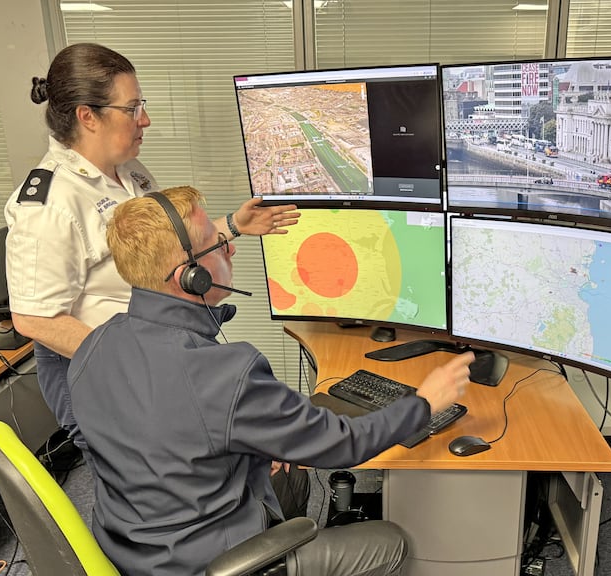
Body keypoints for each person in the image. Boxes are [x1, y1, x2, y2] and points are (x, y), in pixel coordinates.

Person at [67, 185, 475, 576]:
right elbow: (345, 443)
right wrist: (424, 403)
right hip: (209, 563)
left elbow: (135, 440)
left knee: (294, 475)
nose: (230, 247)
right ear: (190, 277)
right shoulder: (225, 373)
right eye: (217, 242)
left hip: (130, 548)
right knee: (392, 542)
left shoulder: (94, 345)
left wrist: (251, 442)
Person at [3, 43, 300, 458]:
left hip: (157, 353)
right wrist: (137, 364)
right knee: (160, 480)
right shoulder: (49, 204)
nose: (145, 119)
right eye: (132, 108)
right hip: (106, 371)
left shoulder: (130, 173)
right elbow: (34, 317)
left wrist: (233, 225)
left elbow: (167, 251)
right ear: (88, 116)